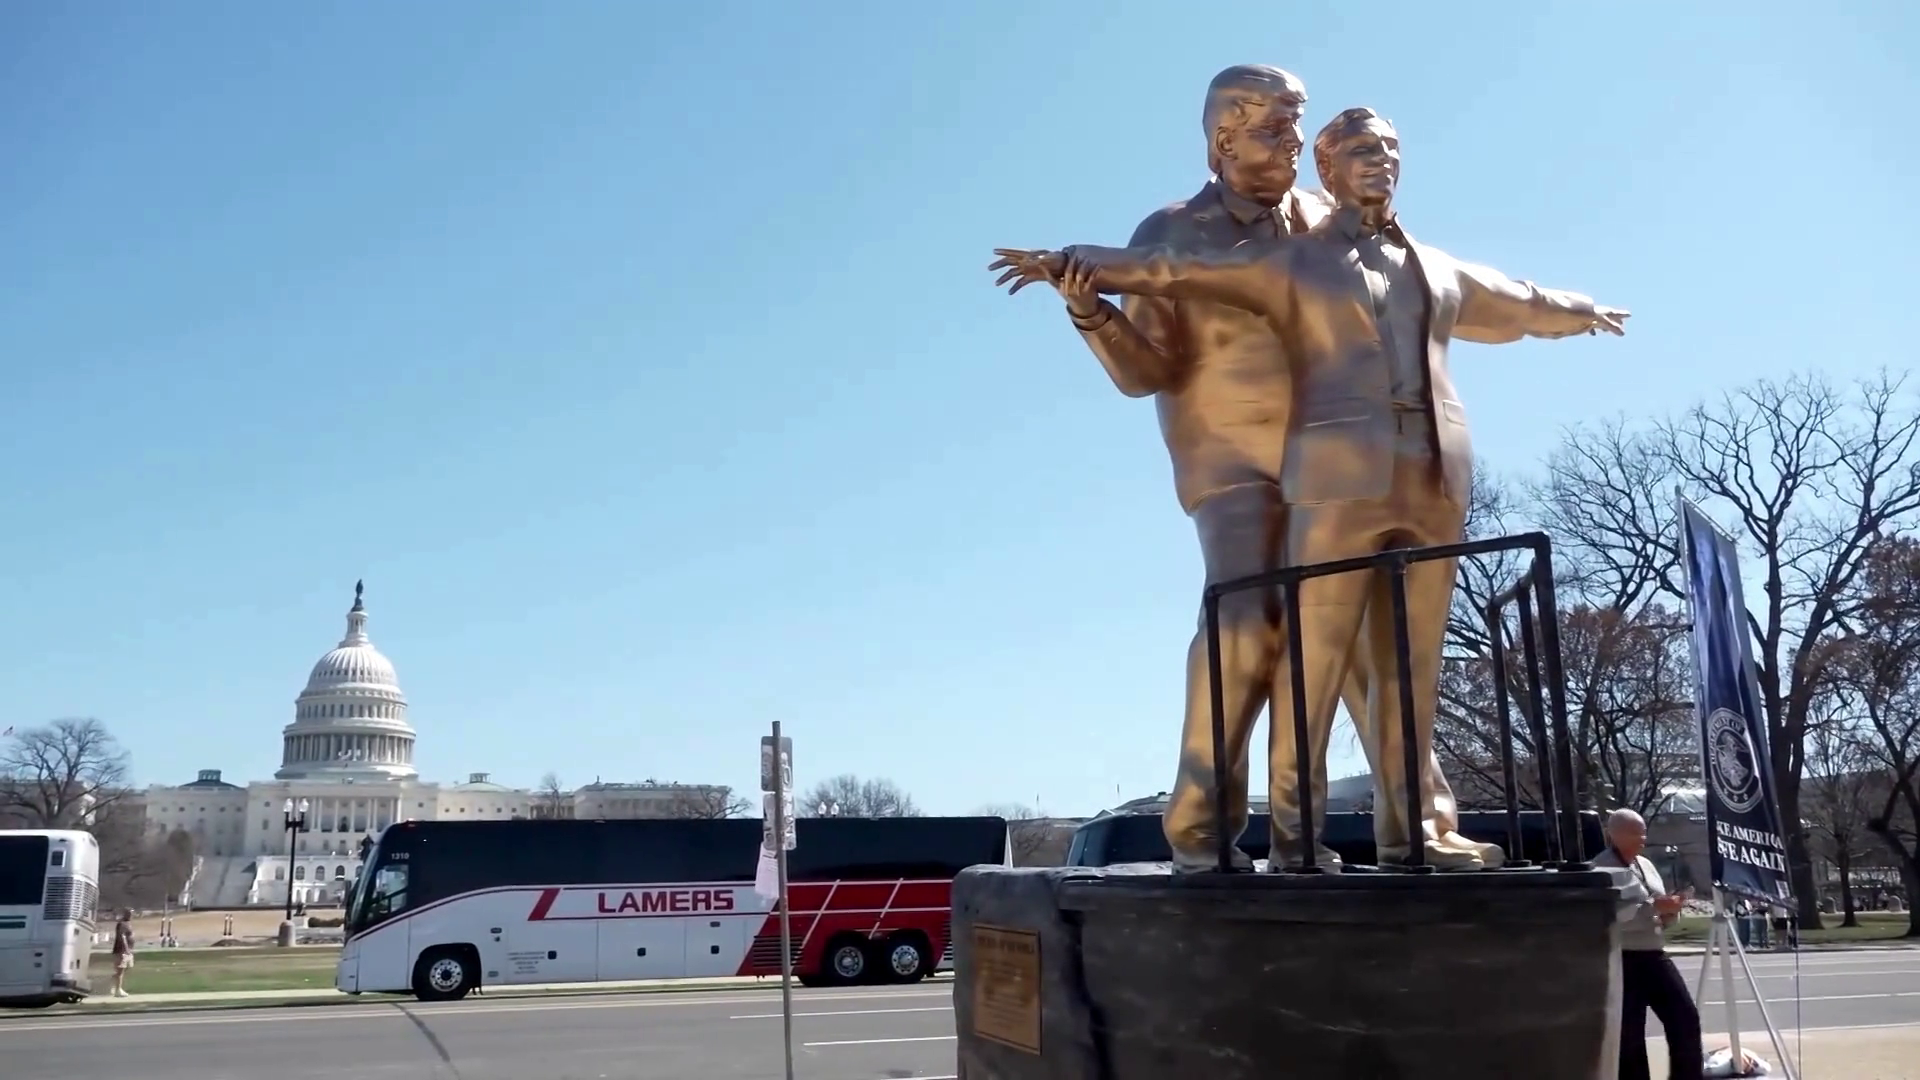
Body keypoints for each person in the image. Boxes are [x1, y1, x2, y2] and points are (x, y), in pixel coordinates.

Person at [991, 106, 1627, 869]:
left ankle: (1415, 829)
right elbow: (1159, 325)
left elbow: (1505, 299)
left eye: (1299, 128)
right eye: (1275, 130)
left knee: (1395, 655)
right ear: (1224, 141)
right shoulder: (1207, 237)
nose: (1292, 143)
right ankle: (1235, 830)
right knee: (1267, 635)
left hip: (1398, 466)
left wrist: (1580, 311)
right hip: (1253, 465)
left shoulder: (1367, 236)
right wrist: (1079, 282)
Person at [1595, 809, 1702, 1080]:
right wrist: (1652, 908)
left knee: (1685, 1018)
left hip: (1654, 953)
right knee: (1630, 1034)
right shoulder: (1601, 869)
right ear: (1614, 834)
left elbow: (1657, 905)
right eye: (1635, 832)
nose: (1642, 837)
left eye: (1643, 831)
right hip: (1623, 957)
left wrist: (1670, 911)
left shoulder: (1646, 864)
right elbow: (1608, 916)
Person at [109, 909, 135, 998]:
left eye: (131, 914)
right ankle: (118, 990)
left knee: (127, 967)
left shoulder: (128, 924)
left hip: (128, 950)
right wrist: (126, 948)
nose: (130, 915)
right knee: (120, 970)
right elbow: (122, 937)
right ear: (125, 914)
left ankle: (114, 981)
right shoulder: (122, 924)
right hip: (122, 950)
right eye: (129, 913)